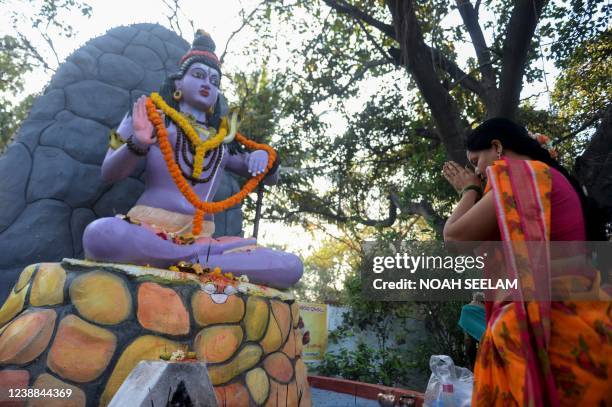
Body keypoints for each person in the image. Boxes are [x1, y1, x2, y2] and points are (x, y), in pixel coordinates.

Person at [83, 30, 302, 289]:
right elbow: (108, 171)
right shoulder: (143, 115)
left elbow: (267, 176)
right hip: (149, 230)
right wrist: (138, 142)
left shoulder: (222, 139)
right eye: (198, 75)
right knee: (101, 234)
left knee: (291, 266)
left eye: (214, 80)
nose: (207, 84)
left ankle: (189, 258)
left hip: (203, 236)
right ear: (178, 83)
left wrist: (264, 156)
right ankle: (196, 261)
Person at [442, 117, 611, 406]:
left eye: (476, 161)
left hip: (548, 332)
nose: (478, 173)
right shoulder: (549, 179)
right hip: (579, 326)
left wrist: (467, 190)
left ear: (496, 147)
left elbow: (455, 239)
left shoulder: (523, 176)